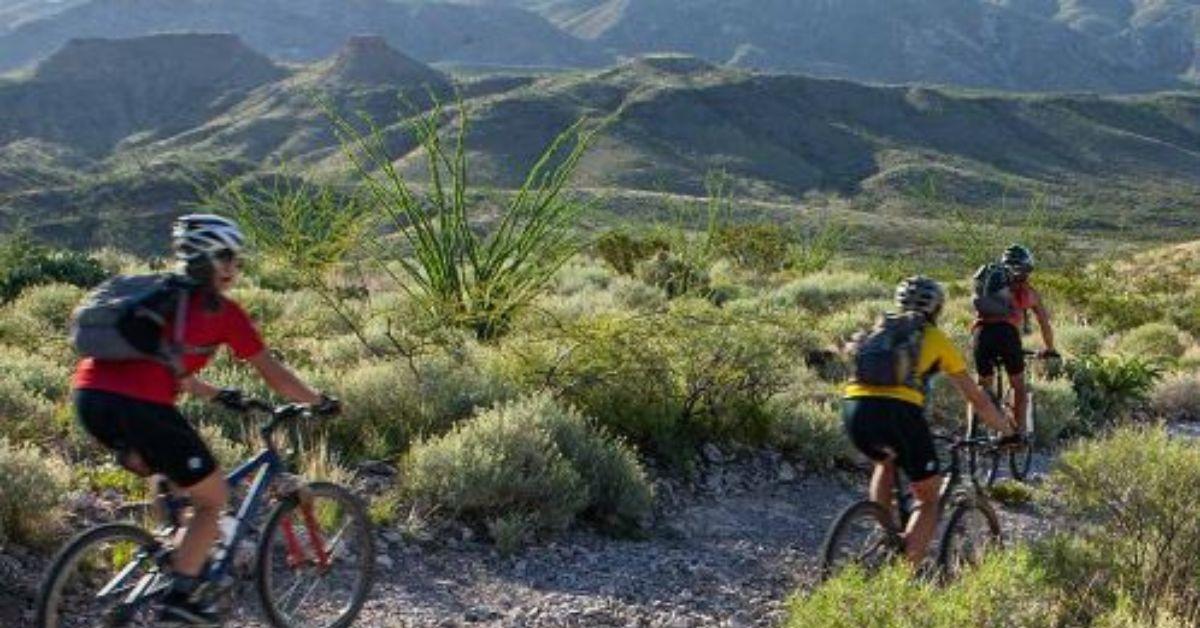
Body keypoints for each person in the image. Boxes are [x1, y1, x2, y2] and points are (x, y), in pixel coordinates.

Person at [72, 214, 337, 626]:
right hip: (141, 407)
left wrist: (220, 394)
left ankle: (171, 553)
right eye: (228, 257)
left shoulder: (161, 298)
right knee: (214, 499)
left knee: (176, 481)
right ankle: (181, 601)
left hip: (89, 399)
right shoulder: (222, 312)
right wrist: (319, 401)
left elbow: (170, 367)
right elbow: (274, 374)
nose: (235, 267)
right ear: (207, 258)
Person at [843, 276, 1014, 566]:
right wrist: (1008, 430)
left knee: (885, 460)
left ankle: (886, 532)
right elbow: (977, 399)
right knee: (929, 498)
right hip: (900, 413)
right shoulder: (933, 338)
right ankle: (903, 578)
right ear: (937, 309)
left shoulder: (879, 329)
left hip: (854, 408)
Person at [972, 244, 1058, 436]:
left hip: (981, 333)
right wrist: (1050, 348)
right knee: (1018, 385)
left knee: (981, 386)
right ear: (1027, 269)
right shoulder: (1028, 292)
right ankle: (1017, 435)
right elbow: (1044, 323)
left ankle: (972, 433)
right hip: (1007, 336)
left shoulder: (991, 287)